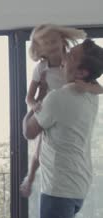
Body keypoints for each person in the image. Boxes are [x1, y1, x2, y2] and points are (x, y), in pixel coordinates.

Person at [22, 38, 103, 218]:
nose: (64, 59)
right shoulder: (91, 95)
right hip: (77, 186)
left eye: (72, 57)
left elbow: (28, 132)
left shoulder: (58, 97)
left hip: (58, 189)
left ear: (82, 72)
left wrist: (34, 104)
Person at [20, 24, 99, 197]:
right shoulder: (42, 68)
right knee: (39, 152)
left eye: (54, 41)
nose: (53, 46)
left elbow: (98, 87)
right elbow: (29, 97)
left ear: (62, 40)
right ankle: (30, 178)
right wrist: (36, 104)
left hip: (63, 109)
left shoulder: (72, 61)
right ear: (40, 49)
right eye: (47, 44)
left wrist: (88, 87)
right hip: (49, 109)